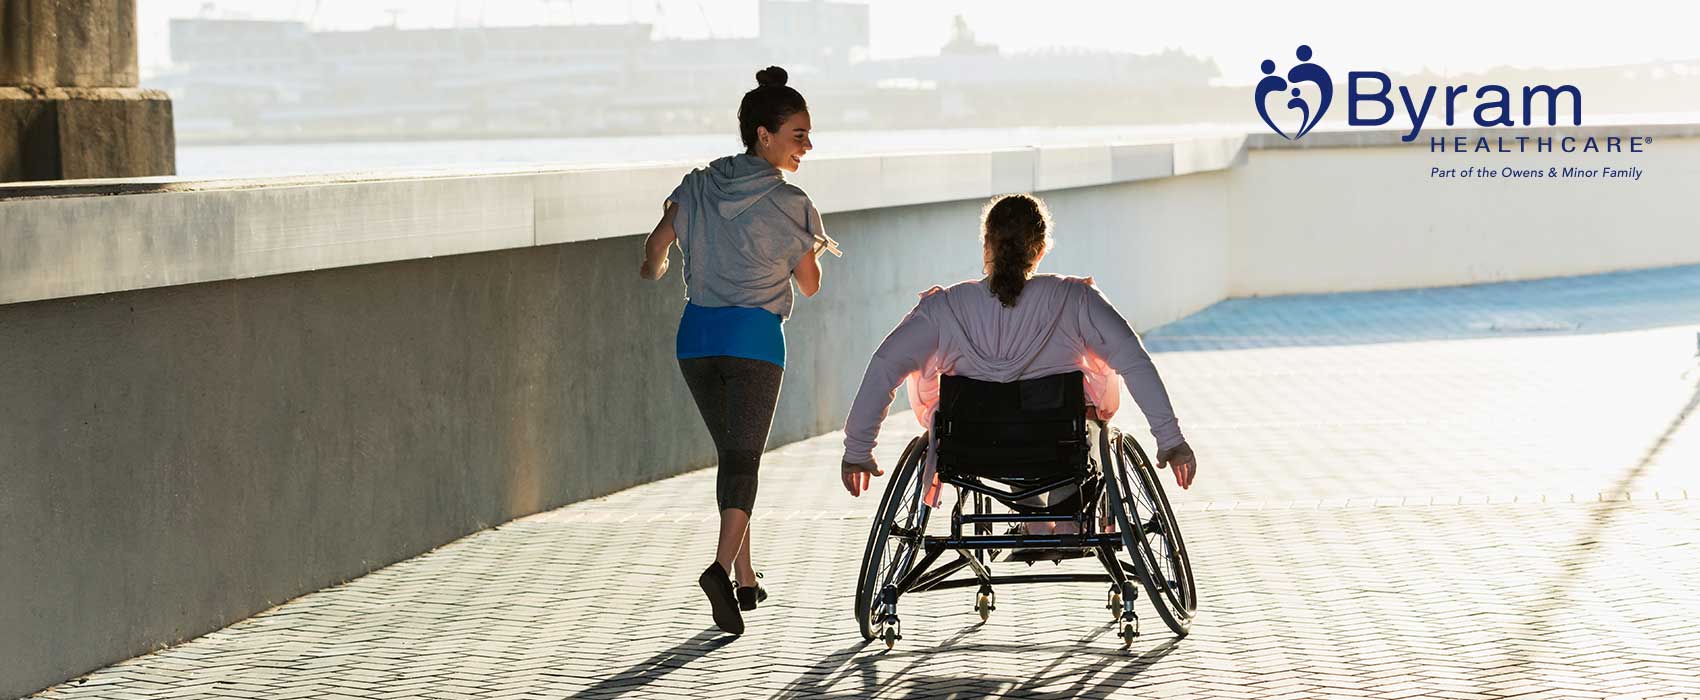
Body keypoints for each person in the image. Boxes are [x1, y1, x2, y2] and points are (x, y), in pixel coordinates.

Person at [639, 65, 837, 636]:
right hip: (752, 341)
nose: (807, 146)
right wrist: (806, 248)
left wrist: (654, 269)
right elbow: (809, 284)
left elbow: (656, 248)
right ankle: (719, 570)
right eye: (798, 135)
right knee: (745, 457)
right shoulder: (792, 203)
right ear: (764, 136)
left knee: (734, 453)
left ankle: (746, 576)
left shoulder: (698, 184)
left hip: (696, 338)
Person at [838, 194, 1196, 509]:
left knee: (1005, 427)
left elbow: (885, 366)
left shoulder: (944, 309)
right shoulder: (1074, 300)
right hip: (1059, 442)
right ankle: (1064, 511)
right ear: (1040, 251)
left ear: (986, 246)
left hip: (974, 448)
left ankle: (1032, 519)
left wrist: (858, 450)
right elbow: (1133, 361)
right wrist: (1170, 441)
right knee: (1073, 428)